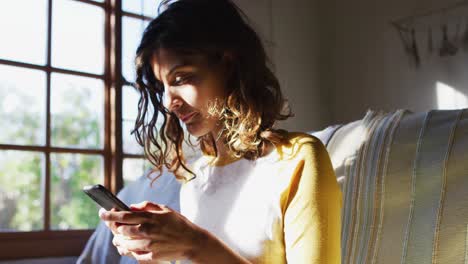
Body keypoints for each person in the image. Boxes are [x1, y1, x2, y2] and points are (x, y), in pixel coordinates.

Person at [99, 0, 342, 263]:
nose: (169, 102)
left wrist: (193, 244)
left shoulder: (298, 158)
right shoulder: (196, 178)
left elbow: (201, 251)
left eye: (180, 78)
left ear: (229, 64)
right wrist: (155, 250)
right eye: (163, 87)